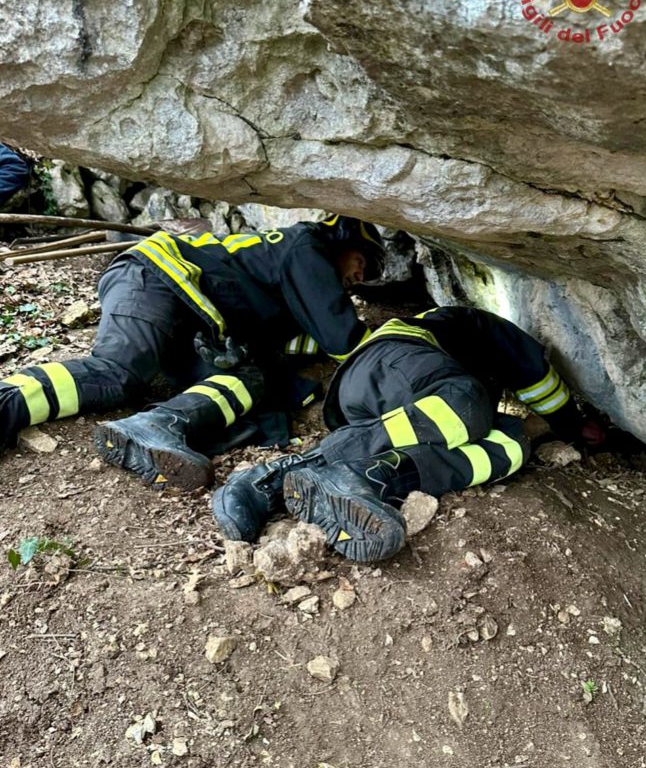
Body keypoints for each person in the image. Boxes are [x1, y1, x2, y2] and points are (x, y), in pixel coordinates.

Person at [0, 214, 385, 490]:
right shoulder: (308, 248)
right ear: (344, 239)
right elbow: (343, 339)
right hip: (158, 276)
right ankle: (7, 404)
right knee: (116, 375)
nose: (358, 279)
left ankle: (160, 426)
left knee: (252, 381)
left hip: (189, 318)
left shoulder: (294, 292)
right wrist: (391, 349)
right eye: (361, 264)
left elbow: (296, 346)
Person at [213, 305, 605, 561]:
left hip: (362, 399)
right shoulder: (489, 329)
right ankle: (300, 470)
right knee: (466, 405)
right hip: (393, 361)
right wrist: (572, 423)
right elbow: (538, 380)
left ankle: (282, 485)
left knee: (510, 442)